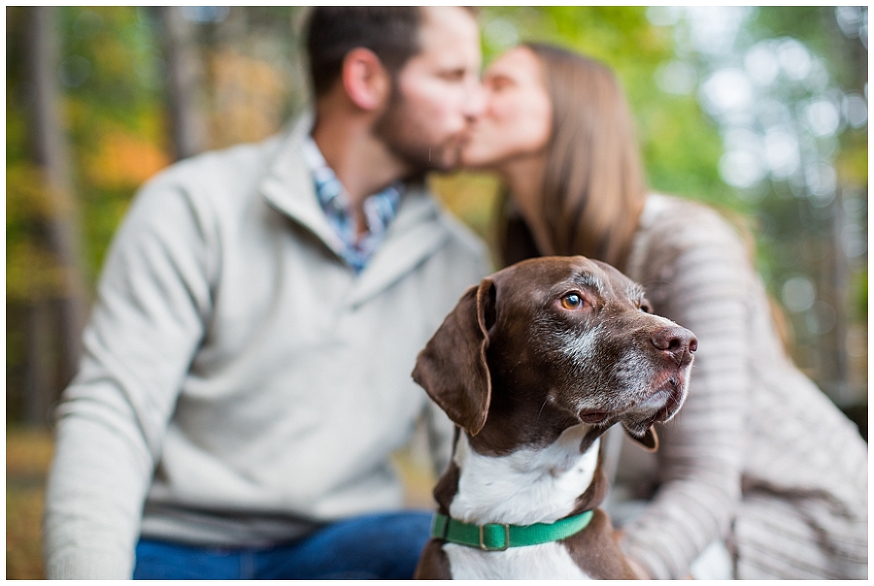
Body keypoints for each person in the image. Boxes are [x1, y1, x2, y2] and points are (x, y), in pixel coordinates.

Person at [43, 7, 490, 580]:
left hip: (343, 546)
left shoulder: (459, 262)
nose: (476, 105)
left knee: (432, 546)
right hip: (175, 547)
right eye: (453, 77)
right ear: (365, 79)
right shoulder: (193, 207)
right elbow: (112, 416)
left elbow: (464, 460)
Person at [460, 42, 868, 580]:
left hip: (795, 515)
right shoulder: (523, 275)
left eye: (500, 85)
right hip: (651, 508)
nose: (469, 102)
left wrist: (627, 570)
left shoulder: (688, 246)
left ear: (568, 110)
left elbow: (705, 482)